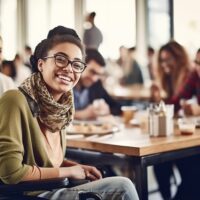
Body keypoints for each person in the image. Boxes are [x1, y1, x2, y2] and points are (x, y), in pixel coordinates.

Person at [0, 26, 139, 200]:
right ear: (40, 64)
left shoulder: (62, 108)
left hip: (51, 188)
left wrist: (76, 167)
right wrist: (69, 171)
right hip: (30, 195)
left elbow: (49, 164)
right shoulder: (14, 99)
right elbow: (10, 172)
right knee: (123, 187)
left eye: (77, 64)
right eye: (60, 59)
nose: (69, 69)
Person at [151, 41, 192, 200]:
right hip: (175, 133)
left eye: (168, 59)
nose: (164, 64)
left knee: (189, 171)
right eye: (162, 60)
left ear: (179, 58)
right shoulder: (167, 79)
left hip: (189, 136)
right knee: (159, 165)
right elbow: (169, 106)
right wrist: (158, 98)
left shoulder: (190, 75)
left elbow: (176, 104)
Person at [73, 48, 122, 120]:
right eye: (92, 72)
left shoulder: (96, 84)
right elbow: (52, 114)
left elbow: (117, 106)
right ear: (81, 65)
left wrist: (106, 110)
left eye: (98, 74)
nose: (94, 79)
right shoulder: (65, 83)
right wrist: (82, 114)